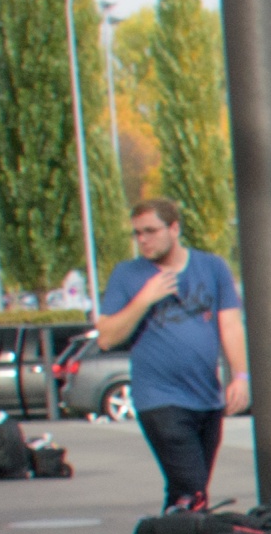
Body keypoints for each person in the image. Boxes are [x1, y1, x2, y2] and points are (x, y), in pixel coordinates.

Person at [88, 197, 247, 506]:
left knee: (183, 492)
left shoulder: (212, 267)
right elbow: (106, 337)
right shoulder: (128, 274)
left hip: (206, 397)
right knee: (193, 488)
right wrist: (144, 299)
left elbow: (230, 326)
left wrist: (240, 376)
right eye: (137, 233)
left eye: (150, 231)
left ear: (174, 228)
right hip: (160, 398)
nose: (143, 240)